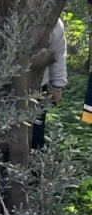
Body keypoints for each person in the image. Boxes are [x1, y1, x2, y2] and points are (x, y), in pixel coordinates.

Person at [32, 18, 68, 149]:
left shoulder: (53, 20)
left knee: (35, 134)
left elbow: (58, 53)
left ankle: (34, 167)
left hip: (38, 86)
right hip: (3, 84)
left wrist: (57, 86)